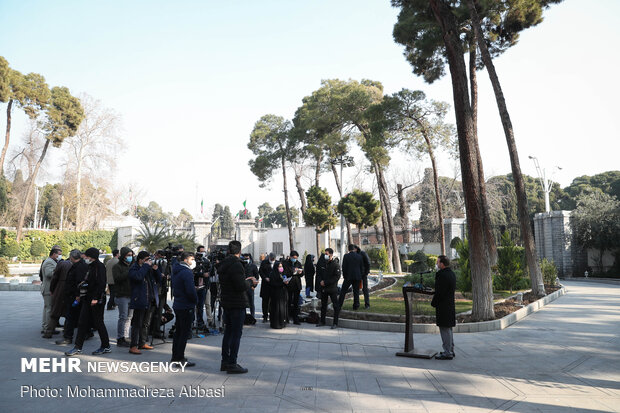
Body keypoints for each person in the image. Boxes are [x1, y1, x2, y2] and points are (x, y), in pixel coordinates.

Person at [217, 240, 258, 374]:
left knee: (228, 332)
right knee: (235, 333)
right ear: (239, 251)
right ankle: (232, 363)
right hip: (236, 303)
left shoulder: (223, 264)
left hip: (227, 302)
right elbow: (240, 286)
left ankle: (225, 361)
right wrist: (249, 281)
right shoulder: (236, 265)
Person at [65, 248, 111, 356]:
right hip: (87, 299)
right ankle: (78, 347)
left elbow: (101, 284)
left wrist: (95, 298)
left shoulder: (99, 267)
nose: (85, 258)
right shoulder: (90, 267)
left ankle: (105, 346)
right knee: (82, 323)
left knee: (98, 323)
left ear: (92, 257)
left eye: (87, 256)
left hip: (95, 300)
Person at [128, 251, 160, 354]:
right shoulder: (134, 268)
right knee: (137, 323)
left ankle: (142, 343)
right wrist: (146, 267)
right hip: (139, 299)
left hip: (149, 299)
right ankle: (133, 345)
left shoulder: (148, 268)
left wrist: (156, 270)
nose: (148, 261)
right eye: (146, 259)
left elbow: (159, 280)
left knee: (146, 323)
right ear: (140, 260)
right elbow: (138, 277)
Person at [55, 250, 88, 345]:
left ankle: (68, 337)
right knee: (77, 317)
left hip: (74, 296)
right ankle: (84, 334)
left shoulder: (79, 267)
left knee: (70, 317)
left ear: (72, 257)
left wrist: (77, 295)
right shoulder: (81, 265)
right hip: (75, 295)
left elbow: (79, 283)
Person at [171, 251, 197, 367]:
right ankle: (180, 358)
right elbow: (190, 291)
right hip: (186, 305)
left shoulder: (176, 270)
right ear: (186, 260)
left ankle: (175, 356)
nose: (193, 262)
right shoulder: (186, 272)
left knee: (179, 331)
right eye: (192, 259)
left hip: (178, 303)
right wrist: (195, 300)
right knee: (183, 333)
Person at [431, 255, 457, 360]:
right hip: (449, 305)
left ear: (442, 264)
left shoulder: (442, 275)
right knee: (448, 328)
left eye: (438, 262)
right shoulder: (451, 274)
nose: (437, 264)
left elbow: (440, 292)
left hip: (443, 306)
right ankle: (450, 349)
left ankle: (447, 352)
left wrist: (433, 303)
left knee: (445, 329)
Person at [43, 256, 72, 338]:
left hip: (59, 290)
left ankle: (48, 332)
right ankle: (67, 333)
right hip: (69, 290)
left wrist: (52, 289)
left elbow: (54, 278)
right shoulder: (74, 265)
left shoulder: (62, 264)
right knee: (69, 313)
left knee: (55, 312)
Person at [112, 247, 134, 347]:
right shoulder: (117, 266)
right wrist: (129, 271)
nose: (130, 257)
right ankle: (120, 338)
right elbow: (117, 278)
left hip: (131, 295)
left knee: (129, 317)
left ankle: (126, 336)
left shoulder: (132, 265)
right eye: (128, 255)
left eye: (131, 255)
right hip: (122, 295)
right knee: (123, 317)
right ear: (123, 256)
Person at [317, 248, 341, 329]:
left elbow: (337, 277)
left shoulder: (335, 264)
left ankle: (335, 323)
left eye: (326, 254)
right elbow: (319, 273)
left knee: (335, 306)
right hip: (324, 288)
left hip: (332, 288)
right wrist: (320, 281)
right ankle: (322, 321)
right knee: (323, 305)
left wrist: (326, 282)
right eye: (325, 253)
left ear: (331, 254)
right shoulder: (323, 263)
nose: (325, 255)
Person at [40, 247, 62, 334]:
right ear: (54, 254)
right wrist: (60, 271)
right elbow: (49, 274)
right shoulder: (49, 262)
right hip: (48, 289)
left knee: (47, 308)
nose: (60, 256)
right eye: (59, 254)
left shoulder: (52, 261)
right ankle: (48, 328)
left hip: (48, 288)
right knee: (49, 309)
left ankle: (46, 326)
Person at [339, 244, 364, 310]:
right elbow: (361, 267)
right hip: (357, 277)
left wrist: (344, 276)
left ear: (348, 249)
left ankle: (339, 304)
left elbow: (344, 267)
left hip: (348, 277)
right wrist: (360, 276)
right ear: (354, 249)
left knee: (343, 291)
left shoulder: (346, 256)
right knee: (356, 292)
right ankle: (356, 305)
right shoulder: (359, 256)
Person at [194, 245, 212, 330]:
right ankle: (194, 321)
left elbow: (210, 272)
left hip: (204, 286)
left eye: (204, 252)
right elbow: (193, 272)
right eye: (201, 252)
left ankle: (201, 322)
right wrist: (201, 274)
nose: (202, 253)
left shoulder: (206, 261)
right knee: (196, 306)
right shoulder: (194, 261)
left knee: (202, 305)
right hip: (195, 286)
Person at [283, 250, 303, 325]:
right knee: (288, 301)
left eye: (296, 258)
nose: (295, 259)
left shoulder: (298, 263)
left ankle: (296, 318)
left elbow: (302, 274)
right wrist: (292, 272)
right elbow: (284, 273)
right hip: (289, 285)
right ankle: (286, 317)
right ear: (290, 257)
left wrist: (300, 272)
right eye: (293, 258)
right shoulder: (285, 263)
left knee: (296, 303)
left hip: (297, 285)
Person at [269, 261, 288, 329]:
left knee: (281, 309)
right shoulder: (272, 274)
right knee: (276, 309)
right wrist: (282, 283)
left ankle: (281, 323)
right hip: (275, 294)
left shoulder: (282, 274)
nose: (281, 268)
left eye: (281, 266)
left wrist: (286, 282)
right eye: (279, 266)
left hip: (282, 294)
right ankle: (275, 324)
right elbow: (273, 284)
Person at [258, 252, 276, 323]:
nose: (272, 260)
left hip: (274, 285)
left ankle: (272, 315)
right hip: (265, 285)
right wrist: (265, 278)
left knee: (273, 301)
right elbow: (260, 272)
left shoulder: (278, 263)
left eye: (273, 259)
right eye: (271, 259)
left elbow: (281, 271)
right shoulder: (264, 263)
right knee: (265, 301)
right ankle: (265, 316)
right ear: (269, 258)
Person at [242, 253, 259, 319]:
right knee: (243, 303)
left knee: (251, 302)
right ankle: (244, 317)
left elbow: (257, 277)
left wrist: (254, 286)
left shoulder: (253, 266)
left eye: (247, 258)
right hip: (243, 287)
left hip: (250, 287)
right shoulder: (242, 265)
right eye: (245, 258)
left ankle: (252, 316)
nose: (246, 259)